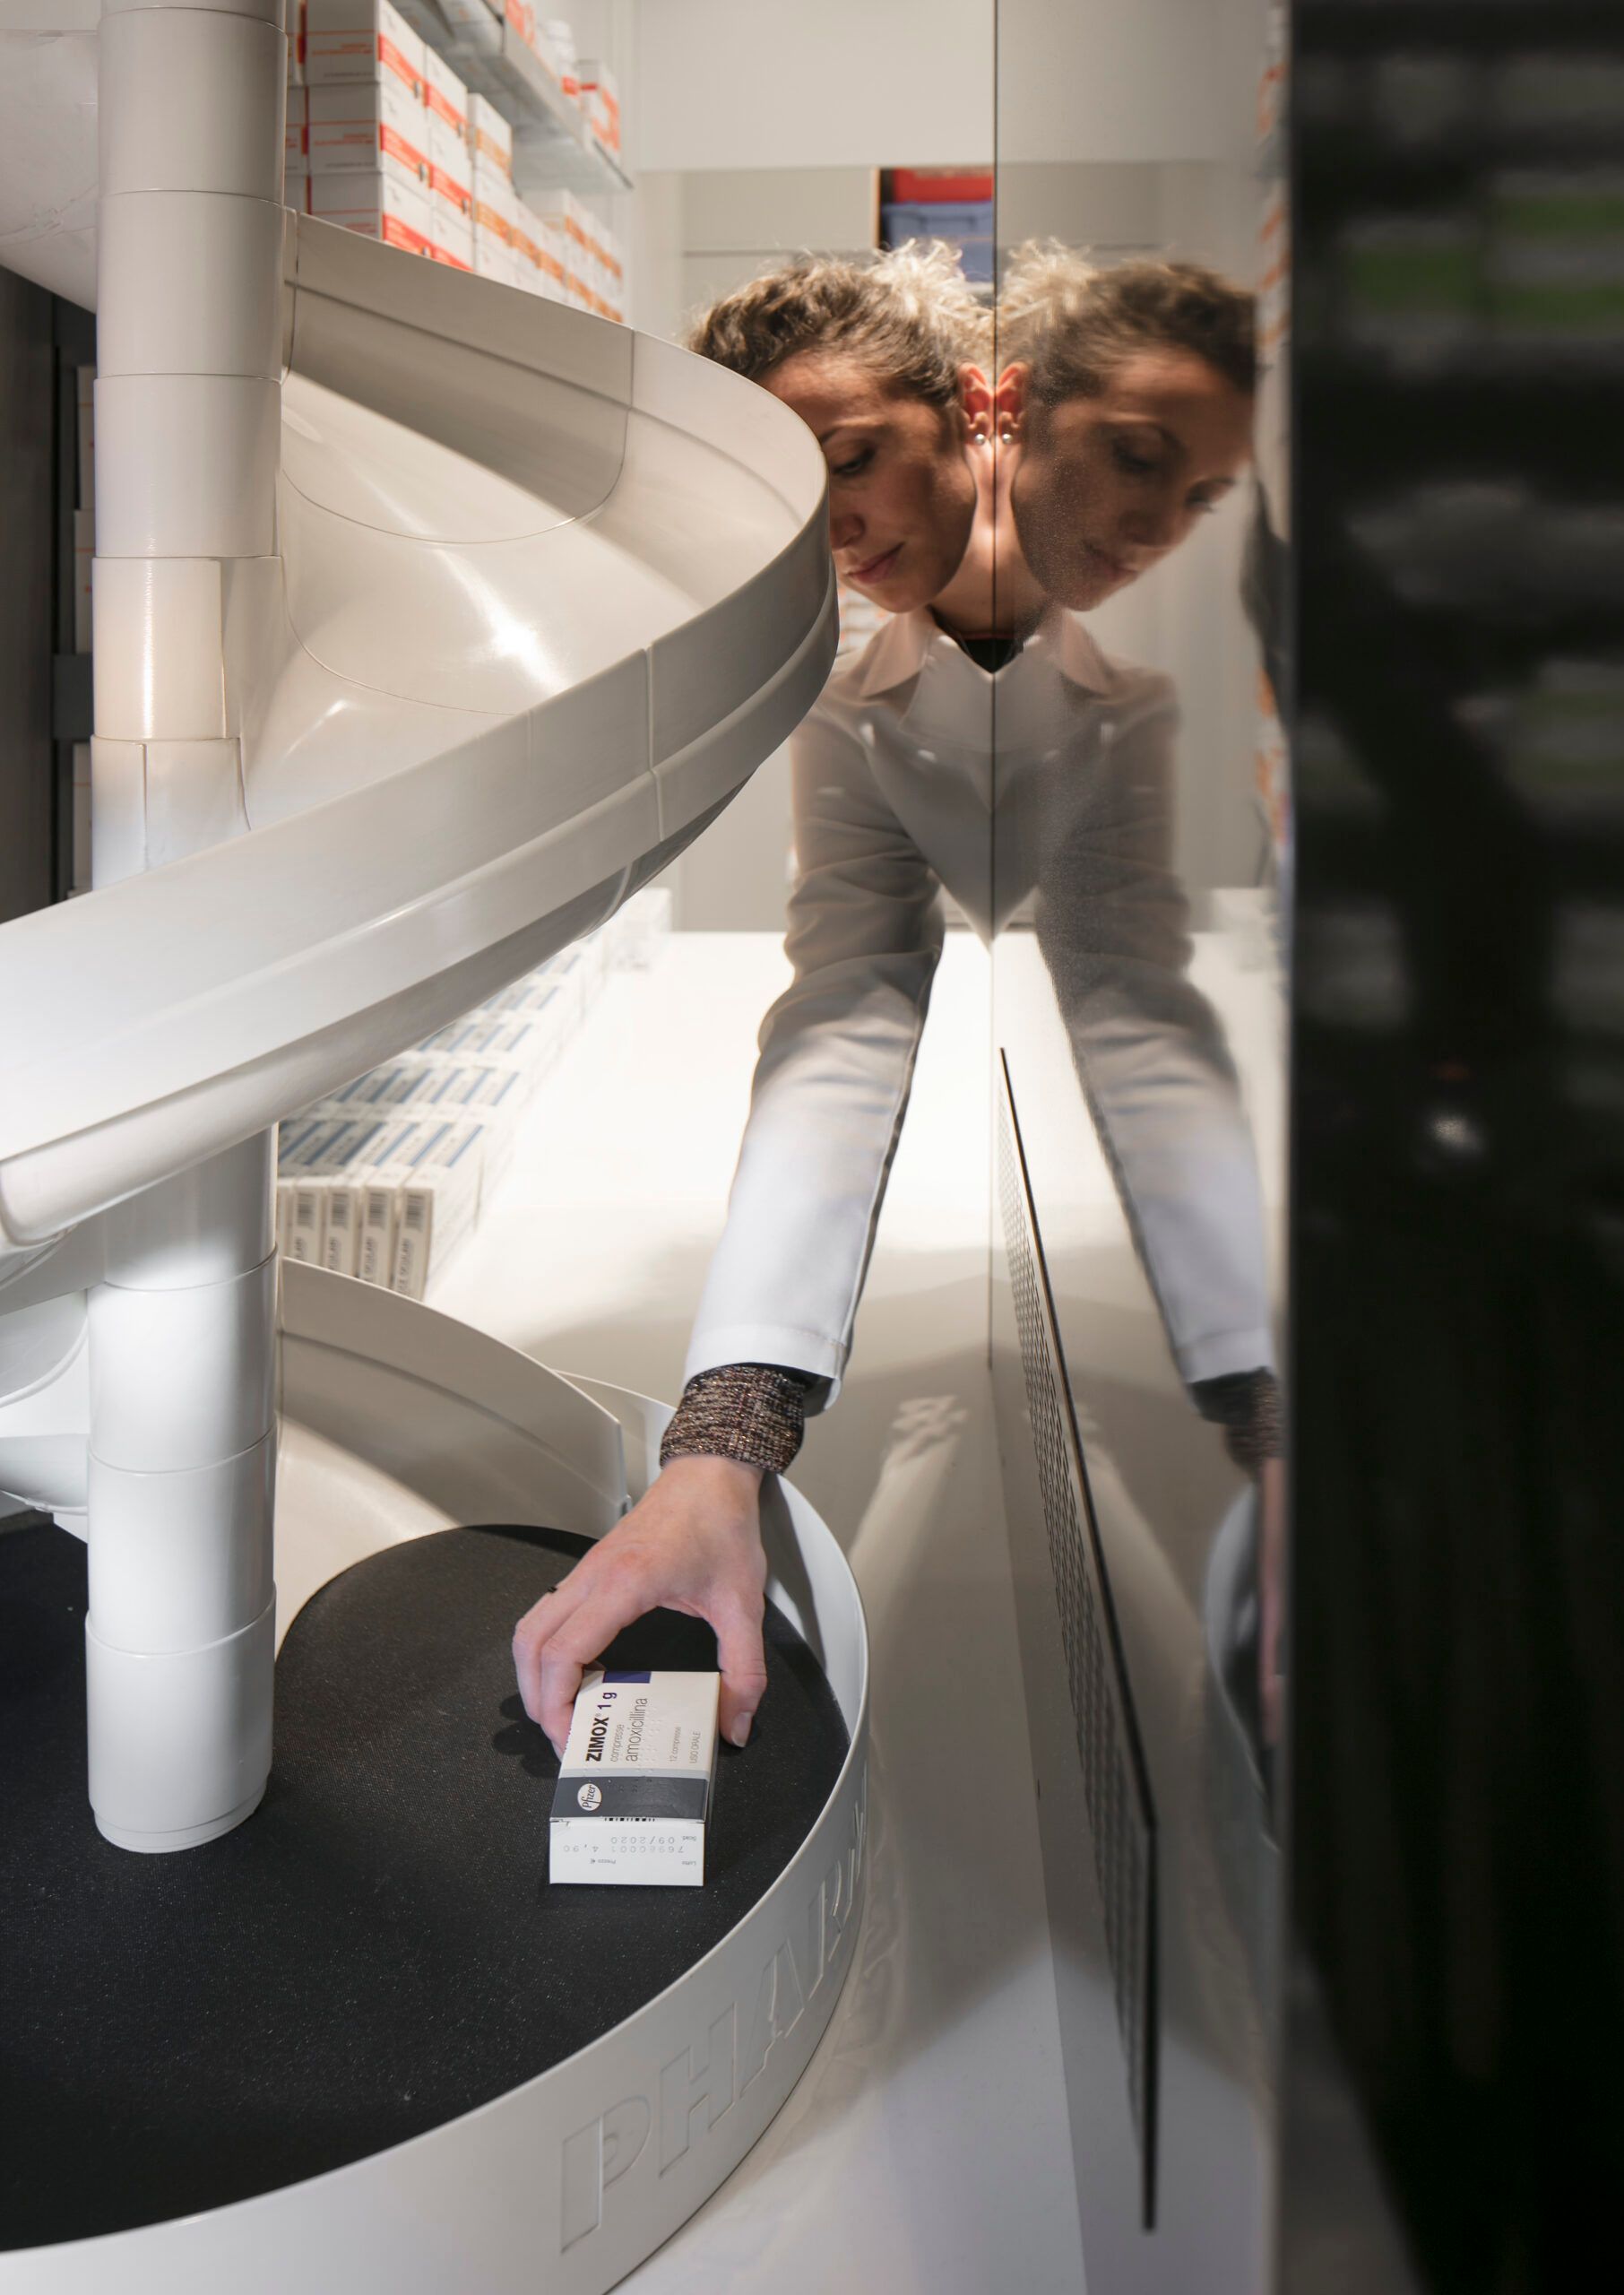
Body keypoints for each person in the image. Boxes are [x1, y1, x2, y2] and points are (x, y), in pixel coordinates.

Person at [513, 245, 1263, 1759]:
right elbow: (846, 1019)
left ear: (979, 412)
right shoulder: (854, 720)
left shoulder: (1135, 696)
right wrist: (725, 1437)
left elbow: (1135, 1026)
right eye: (791, 493)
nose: (833, 522)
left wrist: (1269, 1416)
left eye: (846, 458)